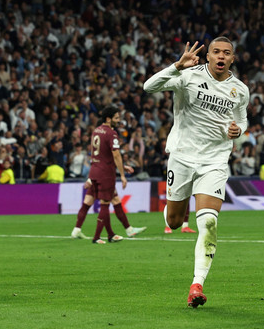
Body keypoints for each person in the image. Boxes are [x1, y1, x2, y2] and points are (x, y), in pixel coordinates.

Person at [144, 37, 249, 308]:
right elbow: (148, 87)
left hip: (214, 161)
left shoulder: (239, 89)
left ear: (232, 58)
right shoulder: (187, 76)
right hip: (182, 157)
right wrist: (176, 66)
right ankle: (182, 206)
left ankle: (197, 284)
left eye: (226, 52)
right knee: (175, 221)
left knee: (209, 223)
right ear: (209, 56)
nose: (221, 56)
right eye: (216, 52)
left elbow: (242, 119)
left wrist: (239, 130)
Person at [74, 105, 129, 244]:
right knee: (105, 204)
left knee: (95, 202)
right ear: (108, 119)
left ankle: (110, 234)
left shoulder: (96, 131)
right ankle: (97, 237)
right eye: (116, 118)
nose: (118, 120)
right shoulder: (112, 133)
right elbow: (116, 154)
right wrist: (122, 174)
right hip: (106, 174)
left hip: (94, 172)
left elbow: (102, 153)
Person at [70, 170, 147, 240]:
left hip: (95, 178)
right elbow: (107, 162)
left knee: (86, 204)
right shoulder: (110, 154)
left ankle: (77, 229)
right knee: (111, 203)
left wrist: (90, 179)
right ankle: (127, 230)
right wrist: (122, 172)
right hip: (104, 178)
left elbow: (97, 163)